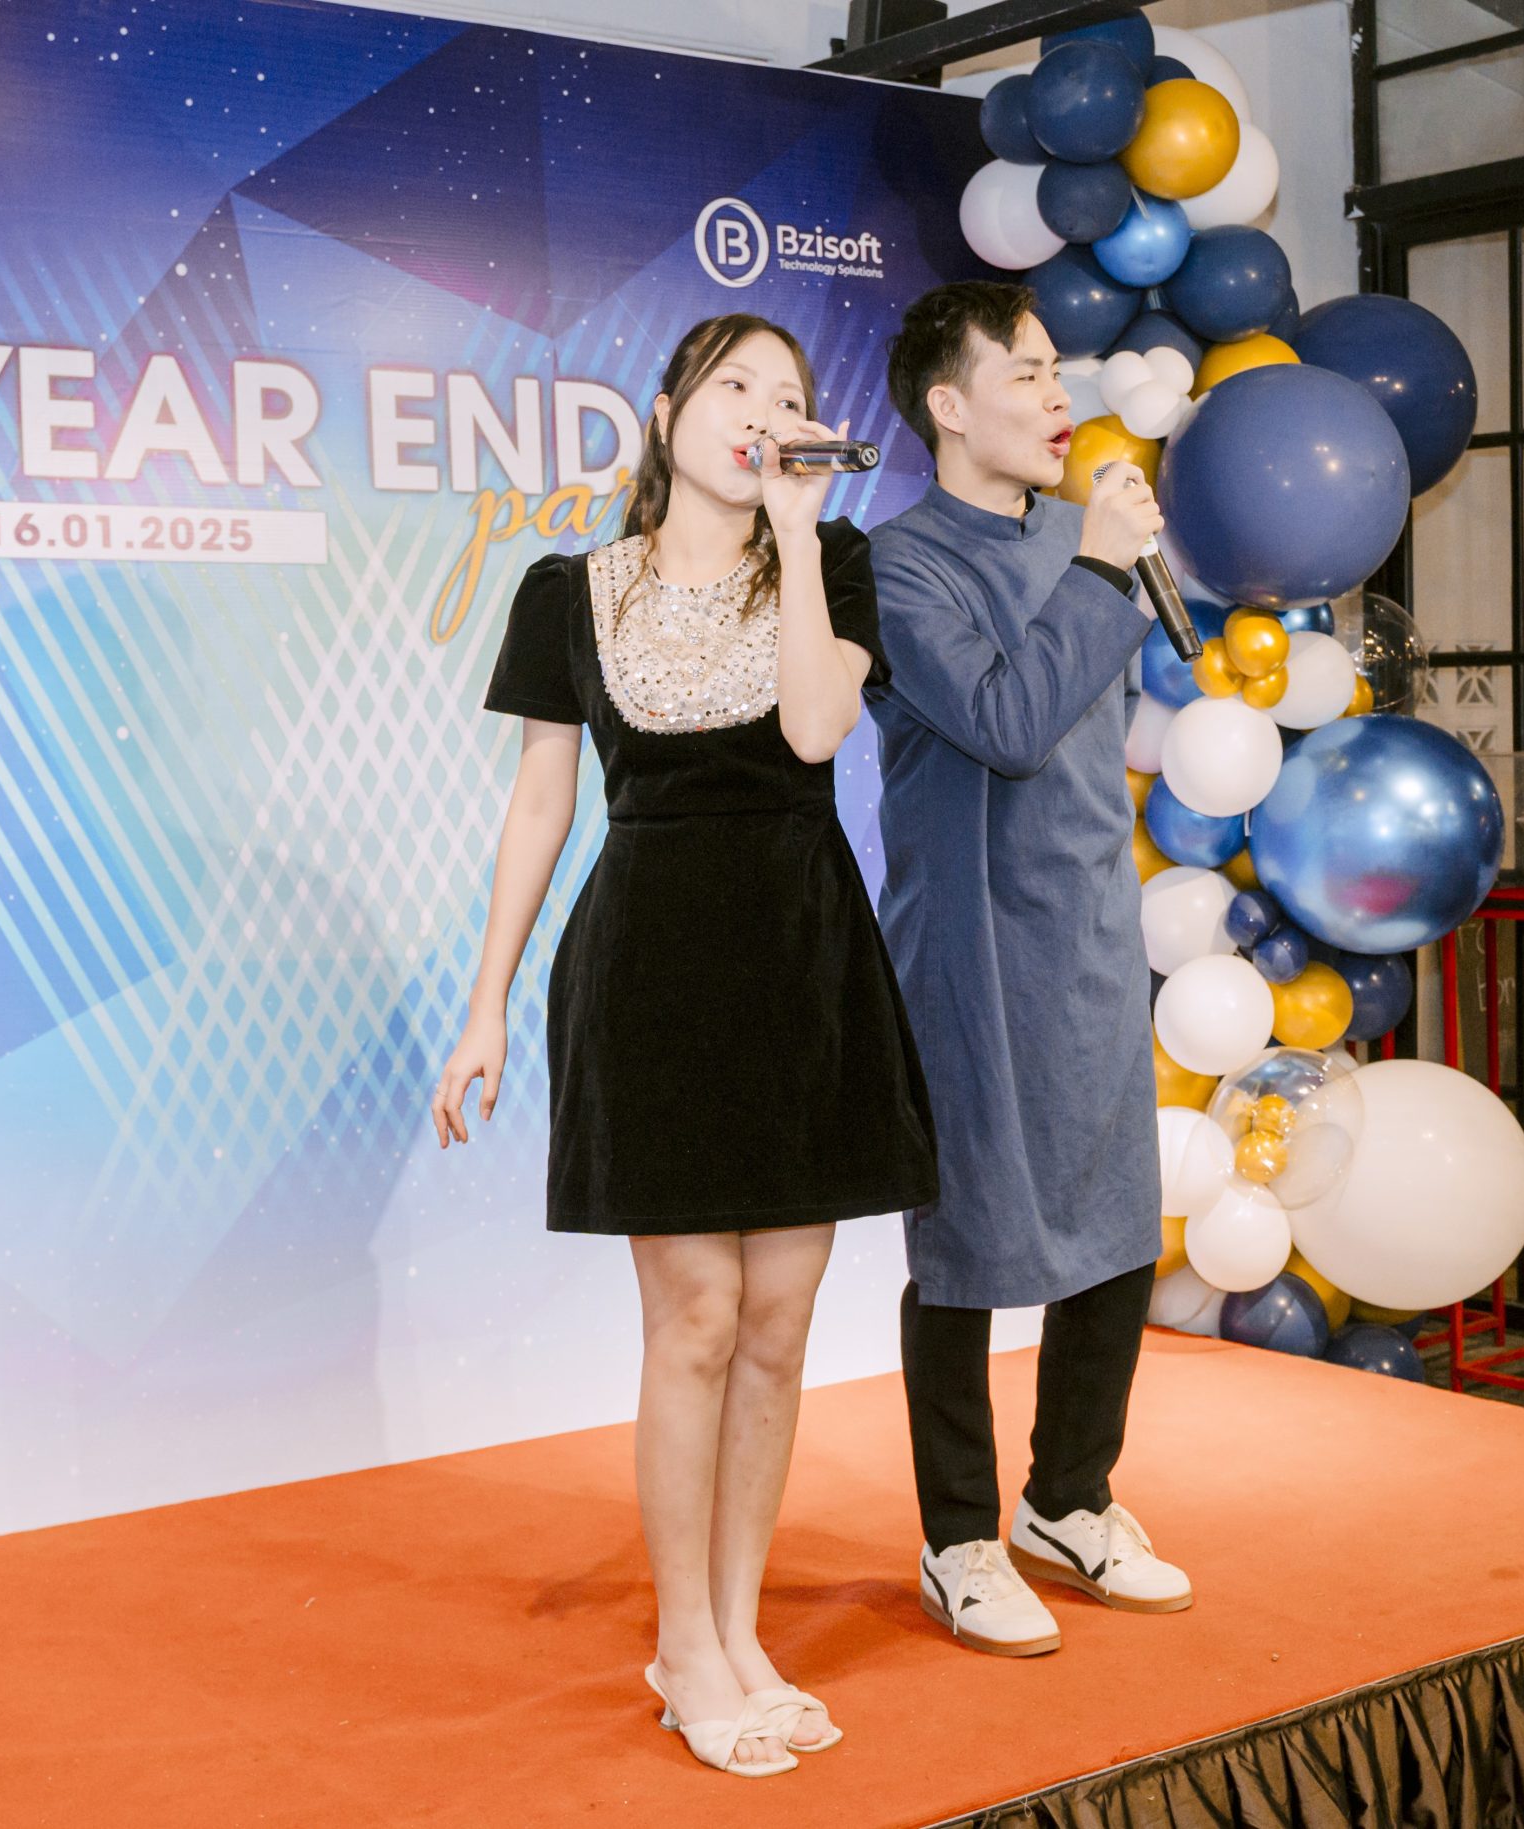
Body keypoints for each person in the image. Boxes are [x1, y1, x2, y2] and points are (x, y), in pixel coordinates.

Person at [431, 312, 937, 1777]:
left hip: (800, 959)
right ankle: (685, 1644)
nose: (763, 412)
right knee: (698, 1314)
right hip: (649, 959)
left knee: (780, 1318)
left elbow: (817, 731)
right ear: (666, 416)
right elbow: (540, 803)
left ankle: (733, 1629)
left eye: (789, 394)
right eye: (734, 387)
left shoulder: (835, 562)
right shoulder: (566, 590)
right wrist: (484, 1002)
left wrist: (799, 532)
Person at [865, 280, 1194, 1657]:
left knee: (1115, 1217)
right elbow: (1004, 722)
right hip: (970, 949)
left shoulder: (1080, 536)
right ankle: (959, 1534)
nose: (1062, 398)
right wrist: (1104, 572)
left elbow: (1095, 734)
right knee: (964, 1239)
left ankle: (1071, 1496)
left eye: (1061, 371)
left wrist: (1106, 562)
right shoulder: (896, 566)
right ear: (949, 404)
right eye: (1029, 374)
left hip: (1091, 930)